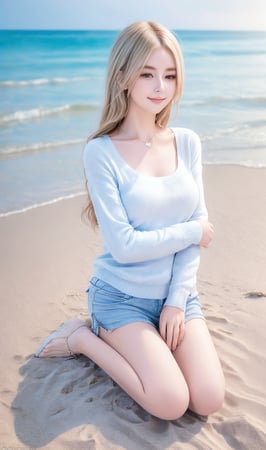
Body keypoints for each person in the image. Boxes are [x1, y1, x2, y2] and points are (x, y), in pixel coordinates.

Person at [35, 21, 225, 420]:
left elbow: (199, 226)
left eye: (169, 75)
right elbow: (125, 246)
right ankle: (82, 337)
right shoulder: (100, 153)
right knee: (170, 403)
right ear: (122, 77)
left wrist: (176, 301)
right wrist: (192, 230)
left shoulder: (187, 141)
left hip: (177, 297)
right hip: (122, 299)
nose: (160, 86)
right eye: (147, 73)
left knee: (207, 400)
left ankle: (159, 325)